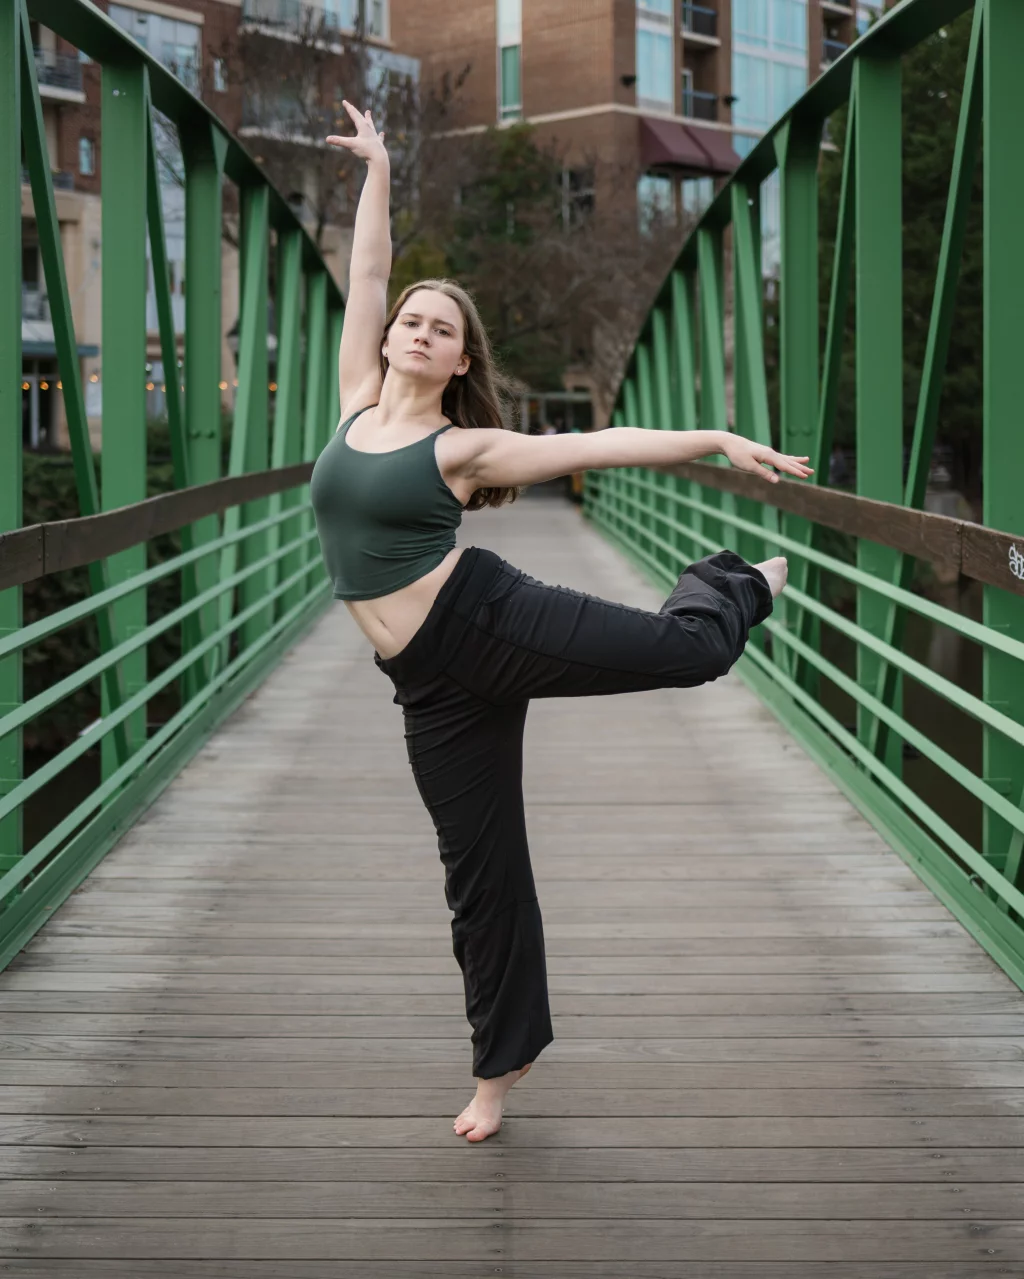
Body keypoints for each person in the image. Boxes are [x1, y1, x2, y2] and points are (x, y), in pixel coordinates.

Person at [310, 102, 813, 1144]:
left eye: (441, 328)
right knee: (479, 873)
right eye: (412, 317)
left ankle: (738, 581)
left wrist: (715, 435)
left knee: (686, 653)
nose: (417, 328)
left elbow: (601, 443)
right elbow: (366, 271)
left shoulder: (465, 449)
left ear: (458, 362)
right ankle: (500, 1070)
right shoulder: (355, 399)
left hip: (485, 619)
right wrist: (378, 167)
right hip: (426, 685)